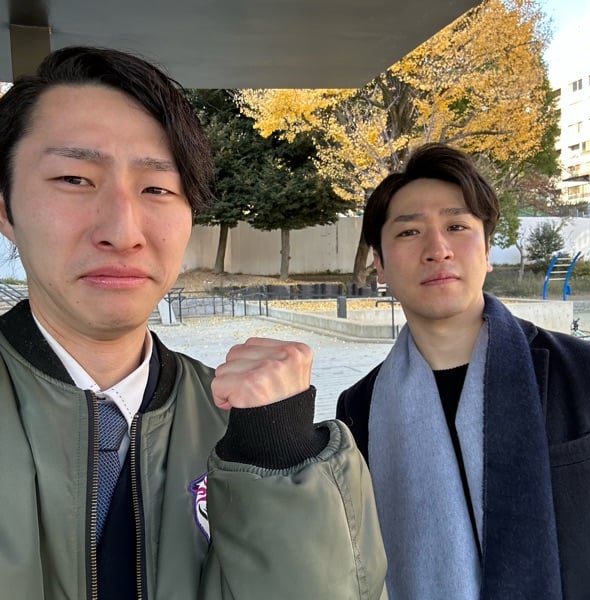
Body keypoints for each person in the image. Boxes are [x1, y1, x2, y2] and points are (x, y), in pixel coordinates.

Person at [0, 46, 387, 600]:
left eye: (157, 188)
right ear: (6, 209)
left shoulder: (244, 429)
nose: (123, 231)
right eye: (74, 179)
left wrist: (280, 460)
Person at [337, 143, 590, 600]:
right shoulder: (359, 408)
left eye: (456, 226)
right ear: (379, 264)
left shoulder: (585, 373)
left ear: (487, 250)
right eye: (409, 232)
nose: (437, 250)